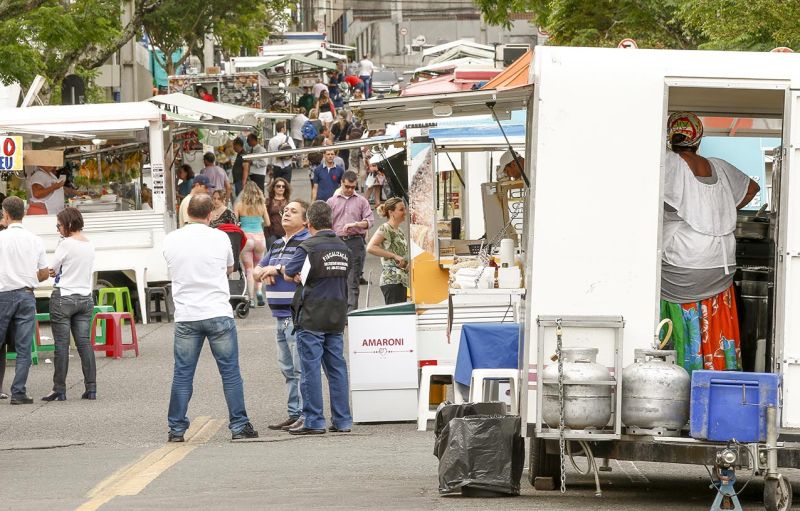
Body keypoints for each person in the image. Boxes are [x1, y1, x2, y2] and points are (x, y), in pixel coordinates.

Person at [659, 112, 759, 373]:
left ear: (670, 138)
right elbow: (752, 188)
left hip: (684, 260)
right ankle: (717, 378)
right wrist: (721, 210)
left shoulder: (668, 163)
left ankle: (682, 376)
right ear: (698, 139)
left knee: (666, 309)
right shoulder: (720, 166)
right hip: (720, 263)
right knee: (715, 320)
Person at [163, 193, 258, 442]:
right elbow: (230, 268)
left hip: (187, 315)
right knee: (230, 373)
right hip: (217, 312)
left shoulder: (171, 239)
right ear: (210, 214)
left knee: (183, 373)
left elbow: (170, 267)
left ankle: (176, 429)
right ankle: (239, 425)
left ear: (186, 214)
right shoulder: (220, 237)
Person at [282, 200, 352, 435]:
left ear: (309, 223)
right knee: (337, 369)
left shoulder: (308, 246)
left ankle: (314, 420)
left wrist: (293, 275)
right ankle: (342, 420)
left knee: (310, 369)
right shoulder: (344, 247)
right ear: (330, 221)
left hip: (312, 314)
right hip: (336, 314)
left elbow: (290, 271)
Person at [253, 200, 310, 432]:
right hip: (279, 316)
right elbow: (257, 268)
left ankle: (306, 414)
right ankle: (294, 413)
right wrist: (262, 272)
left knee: (299, 368)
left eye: (293, 211)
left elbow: (298, 272)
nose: (286, 213)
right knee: (287, 369)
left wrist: (274, 270)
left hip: (295, 315)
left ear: (305, 220)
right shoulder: (276, 244)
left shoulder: (306, 242)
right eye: (285, 211)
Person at [44, 207, 97, 401]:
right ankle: (91, 388)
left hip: (64, 298)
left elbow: (52, 268)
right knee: (84, 344)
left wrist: (53, 271)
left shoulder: (65, 244)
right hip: (85, 298)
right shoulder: (90, 244)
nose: (58, 229)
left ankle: (59, 389)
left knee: (61, 345)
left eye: (58, 225)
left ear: (67, 225)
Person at [0, 197, 49, 404]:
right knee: (23, 348)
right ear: (25, 213)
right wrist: (27, 277)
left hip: (2, 295)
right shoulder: (35, 240)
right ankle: (18, 393)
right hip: (26, 295)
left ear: (6, 214)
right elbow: (44, 273)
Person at [328, 170, 373, 311]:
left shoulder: (361, 201)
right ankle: (338, 312)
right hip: (336, 241)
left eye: (353, 187)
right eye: (347, 186)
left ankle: (351, 315)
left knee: (353, 280)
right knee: (335, 279)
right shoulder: (331, 201)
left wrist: (356, 224)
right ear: (341, 183)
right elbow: (326, 223)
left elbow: (370, 221)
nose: (349, 190)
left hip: (355, 241)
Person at [234, 181, 270, 307]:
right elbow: (268, 223)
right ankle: (259, 291)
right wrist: (258, 222)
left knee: (249, 270)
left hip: (246, 238)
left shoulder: (239, 205)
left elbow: (234, 222)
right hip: (260, 238)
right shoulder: (261, 205)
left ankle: (251, 298)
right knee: (258, 268)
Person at [367, 198, 409, 305]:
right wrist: (394, 256)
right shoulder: (385, 228)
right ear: (391, 212)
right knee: (395, 316)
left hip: (401, 279)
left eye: (404, 209)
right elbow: (371, 247)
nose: (405, 212)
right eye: (401, 209)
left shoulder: (399, 231)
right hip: (391, 280)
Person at [265, 178, 291, 244]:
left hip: (286, 232)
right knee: (273, 253)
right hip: (271, 233)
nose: (281, 188)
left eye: (283, 186)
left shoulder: (289, 202)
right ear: (273, 188)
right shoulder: (268, 202)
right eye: (278, 186)